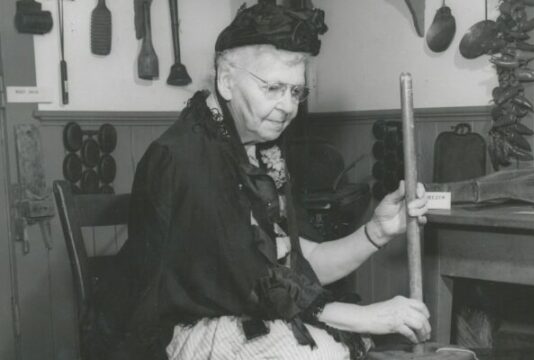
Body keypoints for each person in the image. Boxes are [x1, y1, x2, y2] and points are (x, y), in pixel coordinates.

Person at [89, 2, 430, 360]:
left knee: (339, 346)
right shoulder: (184, 158)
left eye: (296, 91)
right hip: (168, 332)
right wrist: (363, 317)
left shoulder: (258, 150)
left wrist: (376, 231)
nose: (287, 107)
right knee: (318, 354)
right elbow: (251, 280)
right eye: (272, 88)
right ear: (226, 80)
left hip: (241, 311)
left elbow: (298, 266)